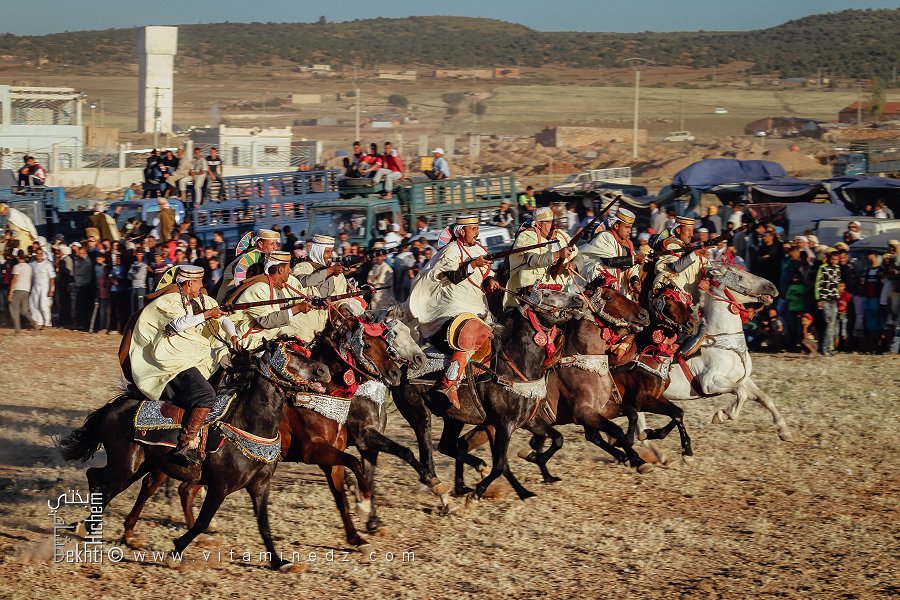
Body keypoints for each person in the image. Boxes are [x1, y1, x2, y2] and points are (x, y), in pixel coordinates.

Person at [128, 265, 237, 466]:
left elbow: (223, 318)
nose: (202, 286)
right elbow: (176, 325)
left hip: (194, 356)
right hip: (173, 360)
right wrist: (206, 315)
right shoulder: (168, 301)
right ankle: (186, 442)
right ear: (189, 283)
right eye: (199, 282)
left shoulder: (200, 300)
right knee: (207, 395)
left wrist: (233, 335)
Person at [407, 215, 499, 407]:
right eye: (473, 229)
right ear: (461, 231)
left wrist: (490, 281)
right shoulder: (450, 251)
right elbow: (453, 277)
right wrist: (473, 264)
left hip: (477, 304)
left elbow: (486, 274)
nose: (477, 232)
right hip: (452, 306)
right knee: (472, 330)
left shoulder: (479, 249)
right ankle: (449, 384)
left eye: (477, 228)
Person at [228, 251, 314, 346]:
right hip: (250, 343)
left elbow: (300, 300)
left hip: (271, 339)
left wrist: (313, 301)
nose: (290, 270)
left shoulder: (284, 284)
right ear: (281, 270)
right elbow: (266, 321)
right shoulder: (259, 289)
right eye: (288, 267)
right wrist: (297, 308)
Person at [504, 207, 576, 309]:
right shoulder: (526, 236)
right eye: (549, 222)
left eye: (553, 221)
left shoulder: (561, 235)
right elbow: (532, 260)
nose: (553, 226)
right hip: (536, 291)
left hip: (563, 289)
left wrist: (574, 264)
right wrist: (559, 254)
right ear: (538, 224)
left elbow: (578, 255)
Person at [292, 234, 356, 334]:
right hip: (303, 326)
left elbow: (340, 297)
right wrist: (330, 271)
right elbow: (305, 281)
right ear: (318, 252)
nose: (330, 255)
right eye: (327, 252)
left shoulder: (336, 273)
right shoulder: (303, 267)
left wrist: (343, 307)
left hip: (326, 327)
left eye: (331, 251)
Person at [576, 207, 645, 300]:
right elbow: (609, 261)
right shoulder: (606, 236)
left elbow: (633, 269)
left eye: (630, 228)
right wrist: (635, 258)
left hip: (620, 288)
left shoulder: (629, 244)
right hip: (599, 283)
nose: (630, 231)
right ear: (616, 226)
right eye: (627, 227)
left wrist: (635, 282)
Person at [215, 229, 281, 301]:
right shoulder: (245, 259)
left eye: (276, 243)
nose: (275, 247)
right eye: (272, 244)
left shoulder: (264, 257)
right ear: (260, 244)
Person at [814, 250, 842, 356]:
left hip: (834, 300)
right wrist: (818, 299)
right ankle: (825, 348)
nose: (834, 261)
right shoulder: (823, 268)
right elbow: (818, 284)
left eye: (836, 259)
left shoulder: (838, 269)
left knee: (833, 324)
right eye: (833, 259)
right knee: (829, 323)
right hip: (824, 299)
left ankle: (830, 347)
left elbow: (837, 283)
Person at [29, 247, 55, 330]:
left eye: (41, 253)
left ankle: (47, 323)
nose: (39, 255)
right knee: (34, 304)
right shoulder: (32, 264)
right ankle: (39, 322)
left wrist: (51, 289)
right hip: (35, 286)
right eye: (38, 253)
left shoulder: (47, 264)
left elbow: (52, 277)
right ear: (36, 254)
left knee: (43, 305)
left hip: (45, 287)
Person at [8, 250, 33, 333]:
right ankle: (34, 323)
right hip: (26, 289)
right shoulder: (29, 267)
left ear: (18, 257)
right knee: (24, 310)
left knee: (14, 309)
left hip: (18, 289)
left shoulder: (17, 267)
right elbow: (30, 279)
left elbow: (14, 280)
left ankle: (17, 329)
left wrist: (11, 292)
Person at [128, 248, 150, 313]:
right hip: (134, 287)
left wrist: (132, 274)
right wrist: (133, 275)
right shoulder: (133, 264)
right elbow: (128, 276)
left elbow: (138, 276)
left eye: (140, 254)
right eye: (137, 254)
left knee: (140, 307)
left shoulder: (144, 265)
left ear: (142, 255)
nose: (139, 256)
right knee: (133, 307)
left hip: (141, 288)